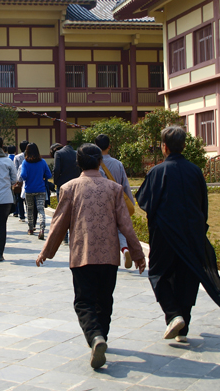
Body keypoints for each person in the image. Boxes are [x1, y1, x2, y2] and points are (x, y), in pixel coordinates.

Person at [36, 143, 146, 370]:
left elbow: (59, 224)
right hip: (109, 256)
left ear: (78, 163)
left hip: (82, 254)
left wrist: (46, 251)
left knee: (84, 301)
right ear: (100, 162)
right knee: (104, 300)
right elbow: (126, 225)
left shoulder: (69, 188)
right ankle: (101, 335)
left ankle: (95, 336)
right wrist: (137, 254)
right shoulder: (114, 188)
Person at [137, 126, 220, 345]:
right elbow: (203, 205)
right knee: (187, 276)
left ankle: (173, 314)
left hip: (165, 234)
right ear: (184, 146)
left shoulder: (157, 172)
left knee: (158, 273)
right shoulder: (195, 171)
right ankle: (183, 327)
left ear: (164, 147)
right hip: (191, 232)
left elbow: (145, 202)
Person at [95, 134, 135, 269]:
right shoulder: (118, 164)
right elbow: (125, 184)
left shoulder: (95, 165)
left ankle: (105, 257)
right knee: (120, 227)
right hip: (118, 200)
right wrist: (130, 202)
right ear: (109, 146)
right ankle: (125, 249)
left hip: (102, 202)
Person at [20, 143, 52, 240]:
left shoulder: (25, 162)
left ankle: (30, 228)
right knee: (40, 209)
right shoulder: (42, 162)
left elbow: (23, 175)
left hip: (29, 189)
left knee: (30, 209)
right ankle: (42, 228)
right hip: (40, 189)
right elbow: (49, 175)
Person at [53, 143, 81, 243]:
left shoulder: (58, 154)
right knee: (75, 211)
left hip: (62, 185)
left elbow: (56, 169)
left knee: (63, 211)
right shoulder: (77, 153)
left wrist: (56, 181)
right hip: (76, 185)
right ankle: (75, 235)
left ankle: (64, 237)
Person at [13, 140, 28, 221]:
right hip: (28, 179)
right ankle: (29, 214)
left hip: (19, 179)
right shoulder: (31, 156)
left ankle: (22, 216)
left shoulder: (17, 157)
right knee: (28, 199)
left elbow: (15, 169)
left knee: (19, 199)